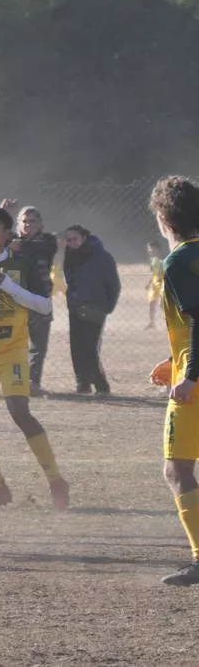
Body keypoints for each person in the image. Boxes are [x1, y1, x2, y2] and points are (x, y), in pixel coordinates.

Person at [0, 207, 67, 512]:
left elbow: (44, 306)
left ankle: (56, 481)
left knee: (19, 410)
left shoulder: (23, 264)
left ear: (8, 234)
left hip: (12, 352)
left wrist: (9, 287)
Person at [146, 175, 199, 586]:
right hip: (189, 366)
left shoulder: (178, 262)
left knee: (177, 468)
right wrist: (174, 358)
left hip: (195, 382)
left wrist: (190, 375)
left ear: (164, 218)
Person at [0, 202, 59, 396]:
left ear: (40, 224)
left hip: (39, 299)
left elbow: (42, 249)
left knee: (38, 345)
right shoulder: (10, 239)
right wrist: (2, 213)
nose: (28, 225)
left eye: (32, 221)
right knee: (12, 343)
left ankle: (33, 382)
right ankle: (13, 380)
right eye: (24, 221)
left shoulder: (47, 241)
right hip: (14, 301)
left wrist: (18, 246)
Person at [63, 224, 120, 395]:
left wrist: (107, 307)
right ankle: (82, 383)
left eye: (75, 239)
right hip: (75, 307)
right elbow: (70, 280)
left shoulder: (102, 256)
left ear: (84, 237)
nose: (71, 243)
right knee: (76, 346)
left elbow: (113, 285)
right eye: (69, 240)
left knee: (89, 347)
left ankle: (101, 385)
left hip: (96, 308)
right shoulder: (69, 255)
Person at [148, 239, 166, 329]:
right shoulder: (152, 260)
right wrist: (149, 283)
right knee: (152, 302)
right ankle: (152, 322)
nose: (150, 251)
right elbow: (153, 273)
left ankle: (167, 319)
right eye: (149, 249)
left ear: (158, 249)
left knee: (162, 303)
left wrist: (161, 278)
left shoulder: (161, 261)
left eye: (152, 249)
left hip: (161, 284)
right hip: (154, 284)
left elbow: (163, 272)